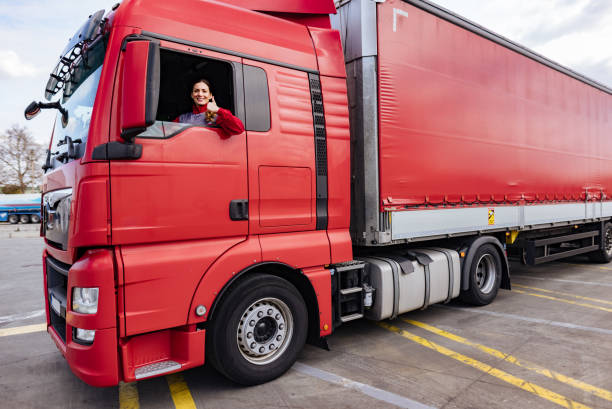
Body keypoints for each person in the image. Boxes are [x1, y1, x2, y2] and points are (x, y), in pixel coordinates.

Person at [174, 78, 244, 136]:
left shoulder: (217, 117)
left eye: (204, 91)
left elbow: (239, 129)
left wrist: (218, 110)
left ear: (210, 95)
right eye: (196, 91)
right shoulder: (182, 118)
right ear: (192, 95)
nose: (200, 94)